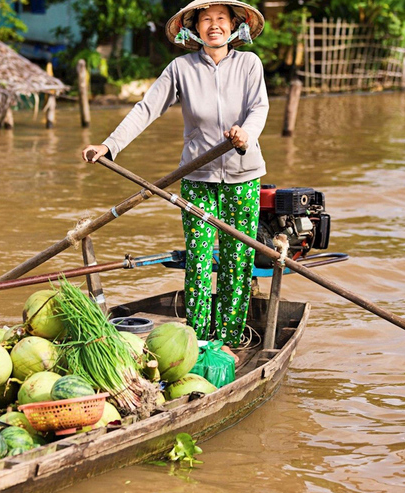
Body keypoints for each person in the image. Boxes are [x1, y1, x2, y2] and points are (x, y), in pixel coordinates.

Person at [82, 0, 268, 350]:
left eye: (221, 19)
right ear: (195, 29)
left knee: (237, 260)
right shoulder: (181, 68)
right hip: (198, 178)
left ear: (234, 25)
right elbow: (146, 109)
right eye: (206, 20)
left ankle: (227, 342)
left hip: (244, 176)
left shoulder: (249, 64)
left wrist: (246, 133)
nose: (214, 26)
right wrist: (109, 146)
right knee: (197, 260)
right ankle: (194, 341)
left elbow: (259, 107)